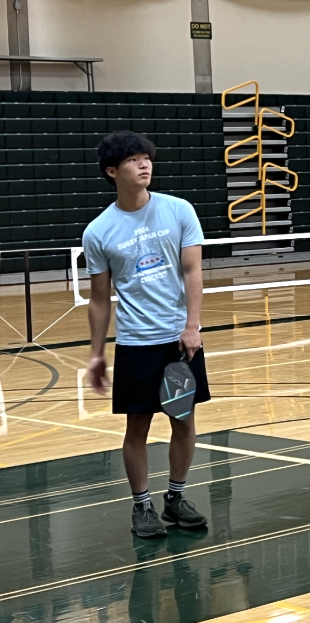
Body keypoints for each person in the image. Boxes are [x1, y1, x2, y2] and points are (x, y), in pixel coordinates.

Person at [83, 131, 210, 538]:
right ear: (111, 171)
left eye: (147, 158)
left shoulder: (178, 211)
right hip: (137, 343)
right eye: (134, 160)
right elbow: (100, 299)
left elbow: (193, 271)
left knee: (183, 419)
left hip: (178, 342)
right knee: (136, 427)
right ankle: (142, 506)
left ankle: (175, 498)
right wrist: (97, 354)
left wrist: (192, 326)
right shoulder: (99, 231)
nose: (144, 165)